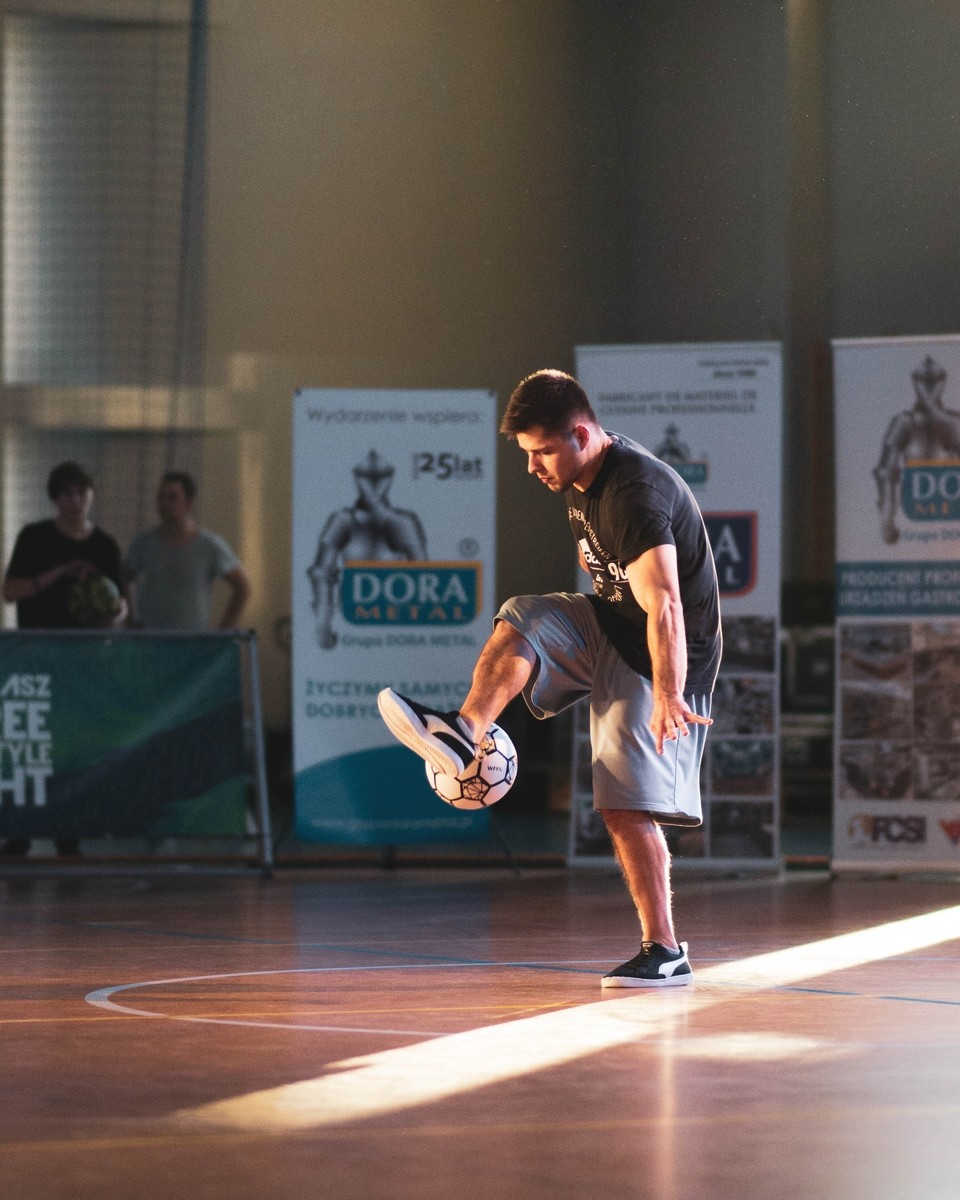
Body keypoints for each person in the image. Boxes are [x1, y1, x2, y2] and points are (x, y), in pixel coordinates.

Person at [378, 369, 721, 988]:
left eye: (540, 452)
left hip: (659, 651)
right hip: (610, 623)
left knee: (622, 804)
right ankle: (463, 732)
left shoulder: (633, 495)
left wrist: (669, 691)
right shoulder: (582, 474)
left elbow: (667, 604)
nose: (532, 467)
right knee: (524, 616)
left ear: (581, 435)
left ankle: (666, 950)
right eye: (526, 453)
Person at [1, 460, 128, 856]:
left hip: (84, 662)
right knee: (31, 744)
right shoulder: (35, 537)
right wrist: (58, 572)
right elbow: (10, 591)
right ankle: (19, 830)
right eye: (67, 494)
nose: (76, 501)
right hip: (36, 657)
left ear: (91, 495)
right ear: (56, 499)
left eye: (82, 492)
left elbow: (121, 605)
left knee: (73, 745)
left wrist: (113, 618)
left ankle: (68, 830)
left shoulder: (105, 545)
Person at [124, 471, 251, 630]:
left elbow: (243, 586)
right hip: (150, 638)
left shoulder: (209, 546)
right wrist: (130, 619)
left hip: (192, 639)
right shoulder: (144, 543)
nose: (164, 504)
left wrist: (224, 631)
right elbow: (123, 577)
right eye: (161, 497)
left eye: (172, 498)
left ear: (189, 502)